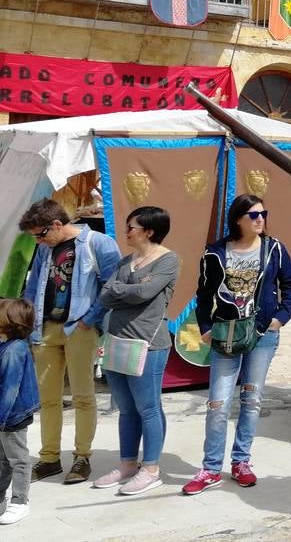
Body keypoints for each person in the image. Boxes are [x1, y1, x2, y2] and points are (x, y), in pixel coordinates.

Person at [183, 194, 291, 495]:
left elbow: (290, 285)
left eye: (263, 214)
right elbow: (203, 294)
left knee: (252, 399)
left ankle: (241, 461)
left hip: (262, 335)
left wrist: (280, 318)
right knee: (218, 402)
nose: (260, 219)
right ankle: (211, 468)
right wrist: (206, 327)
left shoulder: (274, 249)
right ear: (238, 219)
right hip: (226, 334)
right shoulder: (215, 252)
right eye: (253, 215)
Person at [19, 198, 120, 485]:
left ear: (56, 224)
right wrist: (28, 322)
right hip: (45, 328)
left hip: (79, 327)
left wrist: (90, 319)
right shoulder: (44, 249)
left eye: (41, 234)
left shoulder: (98, 243)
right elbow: (33, 287)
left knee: (83, 395)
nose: (39, 241)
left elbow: (111, 286)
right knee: (47, 398)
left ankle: (82, 456)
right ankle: (49, 458)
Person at [93, 206, 180, 496]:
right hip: (116, 341)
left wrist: (123, 290)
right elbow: (105, 296)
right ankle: (128, 464)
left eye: (132, 227)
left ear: (149, 231)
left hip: (148, 344)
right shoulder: (126, 261)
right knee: (126, 409)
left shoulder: (168, 260)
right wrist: (129, 290)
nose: (127, 232)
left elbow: (145, 293)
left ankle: (151, 469)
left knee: (148, 407)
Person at [0, 298, 38, 525]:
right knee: (2, 459)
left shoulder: (14, 350)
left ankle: (20, 501)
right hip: (4, 415)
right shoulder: (7, 345)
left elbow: (9, 389)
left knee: (17, 459)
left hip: (12, 416)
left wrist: (1, 418)